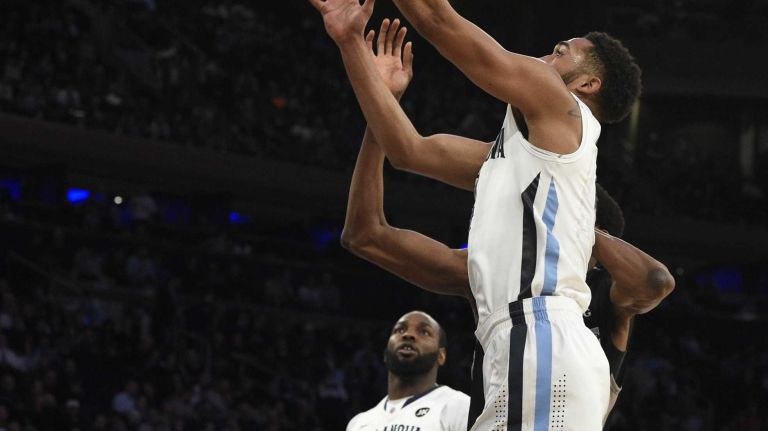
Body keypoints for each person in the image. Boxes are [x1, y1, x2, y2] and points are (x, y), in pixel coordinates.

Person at [310, 0, 643, 428]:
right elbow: (405, 149)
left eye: (561, 51)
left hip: (540, 334)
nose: (544, 57)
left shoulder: (559, 105)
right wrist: (349, 43)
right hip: (511, 343)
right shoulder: (515, 155)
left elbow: (434, 17)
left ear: (588, 84)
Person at [346, 311, 470, 431]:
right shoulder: (359, 424)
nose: (408, 335)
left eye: (424, 332)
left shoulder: (460, 407)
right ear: (385, 353)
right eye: (400, 330)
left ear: (441, 356)